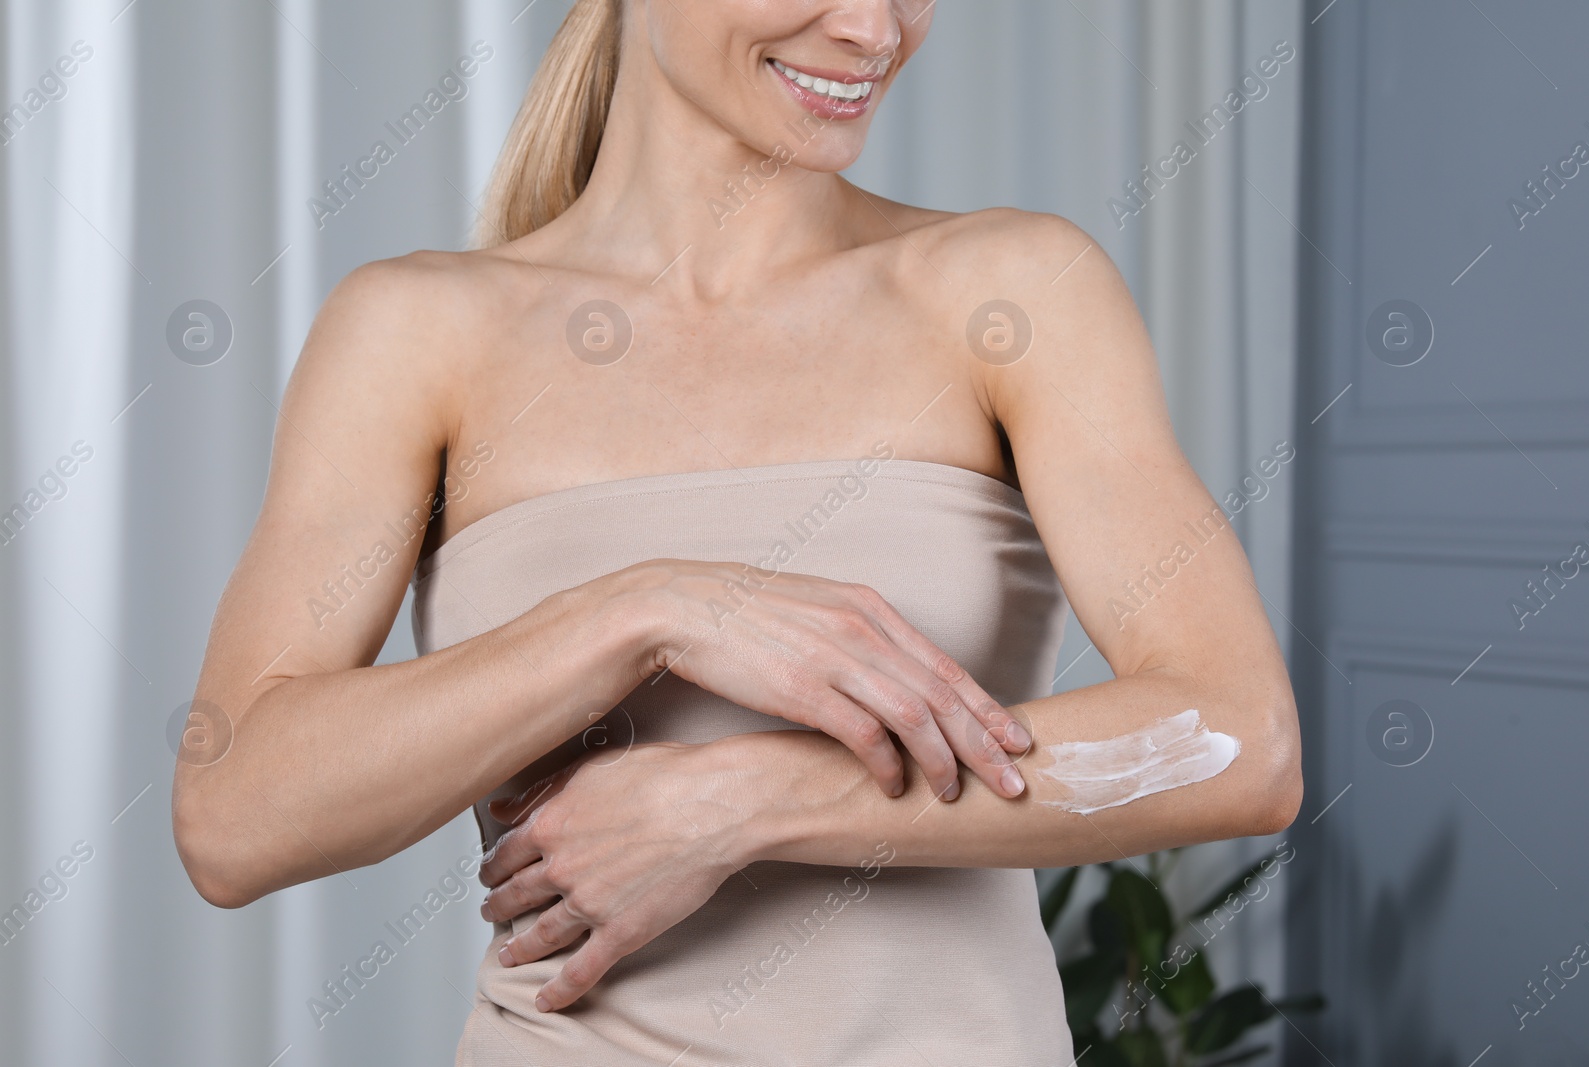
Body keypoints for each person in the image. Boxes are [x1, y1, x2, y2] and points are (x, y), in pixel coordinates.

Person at [173, 0, 1302, 1062]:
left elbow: (1241, 741)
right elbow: (233, 817)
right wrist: (644, 609)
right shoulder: (416, 332)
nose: (873, 29)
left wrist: (736, 802)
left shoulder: (1008, 291)